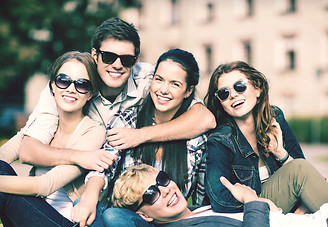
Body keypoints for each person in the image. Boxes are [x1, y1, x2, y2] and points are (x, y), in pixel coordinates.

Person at [0, 17, 215, 173]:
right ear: (95, 54)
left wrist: (140, 135)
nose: (118, 65)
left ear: (136, 60)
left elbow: (205, 119)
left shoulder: (152, 79)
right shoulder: (68, 84)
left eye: (127, 59)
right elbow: (27, 148)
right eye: (109, 56)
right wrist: (83, 158)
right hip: (66, 178)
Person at [72, 48, 208, 227]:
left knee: (111, 216)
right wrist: (90, 195)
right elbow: (105, 163)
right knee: (86, 209)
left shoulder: (195, 137)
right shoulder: (129, 120)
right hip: (128, 223)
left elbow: (202, 197)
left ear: (188, 91)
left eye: (175, 84)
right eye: (159, 79)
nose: (163, 90)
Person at [204, 61, 328, 214]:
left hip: (286, 202)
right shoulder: (220, 141)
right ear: (220, 102)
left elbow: (300, 166)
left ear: (258, 88)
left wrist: (280, 153)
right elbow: (219, 200)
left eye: (239, 86)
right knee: (300, 170)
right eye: (224, 93)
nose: (233, 94)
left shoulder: (275, 117)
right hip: (255, 211)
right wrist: (259, 203)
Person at [0, 51, 107, 227]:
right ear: (53, 86)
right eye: (64, 81)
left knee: (5, 192)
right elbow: (4, 155)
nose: (71, 89)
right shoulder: (46, 124)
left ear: (90, 94)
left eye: (82, 84)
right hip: (32, 220)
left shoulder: (93, 132)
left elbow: (45, 185)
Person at [111, 164, 328, 227]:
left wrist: (282, 211)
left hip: (319, 218)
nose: (166, 189)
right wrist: (252, 202)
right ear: (144, 215)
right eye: (151, 194)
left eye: (162, 179)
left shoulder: (198, 211)